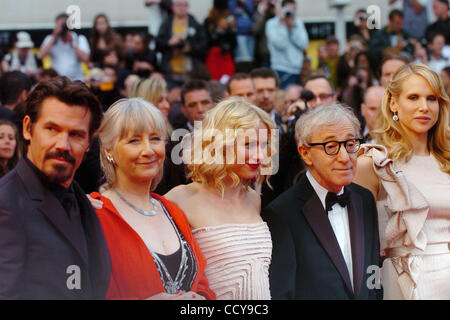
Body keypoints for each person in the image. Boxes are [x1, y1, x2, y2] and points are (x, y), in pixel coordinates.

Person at [89, 98, 214, 300]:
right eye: (134, 141)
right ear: (108, 150)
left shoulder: (173, 211)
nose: (148, 151)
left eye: (155, 139)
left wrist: (200, 299)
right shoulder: (96, 214)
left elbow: (203, 286)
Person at [0, 76, 110, 299]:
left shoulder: (81, 200)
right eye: (52, 129)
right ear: (28, 129)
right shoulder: (6, 204)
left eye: (76, 134)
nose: (63, 145)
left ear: (89, 142)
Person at [262, 103, 380, 300]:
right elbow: (283, 293)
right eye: (331, 147)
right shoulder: (281, 214)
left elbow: (373, 274)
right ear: (305, 153)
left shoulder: (365, 199)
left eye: (350, 145)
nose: (345, 157)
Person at [354, 62, 450, 300]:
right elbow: (356, 240)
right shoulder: (375, 162)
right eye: (414, 97)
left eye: (431, 98)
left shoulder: (447, 160)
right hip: (403, 282)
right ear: (394, 102)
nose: (423, 107)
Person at [165, 97, 275, 300]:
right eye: (249, 144)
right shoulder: (180, 198)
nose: (259, 155)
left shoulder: (254, 199)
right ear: (220, 144)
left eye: (263, 145)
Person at [156, 0, 207, 86]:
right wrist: (169, 43)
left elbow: (204, 45)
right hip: (170, 72)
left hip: (190, 71)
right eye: (179, 5)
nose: (181, 8)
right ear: (172, 7)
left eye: (184, 5)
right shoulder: (166, 23)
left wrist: (190, 48)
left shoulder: (194, 24)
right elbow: (158, 44)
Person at [265, 0, 309, 89]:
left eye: (294, 9)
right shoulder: (272, 24)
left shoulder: (298, 23)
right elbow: (280, 44)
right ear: (282, 9)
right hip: (281, 69)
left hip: (297, 70)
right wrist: (283, 25)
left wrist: (292, 28)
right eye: (289, 9)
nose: (291, 12)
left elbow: (303, 44)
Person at [40, 13, 90, 81]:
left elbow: (86, 59)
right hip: (57, 81)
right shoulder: (50, 39)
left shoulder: (79, 38)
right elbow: (41, 55)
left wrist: (73, 43)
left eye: (65, 25)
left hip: (76, 80)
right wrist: (54, 36)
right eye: (60, 25)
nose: (63, 28)